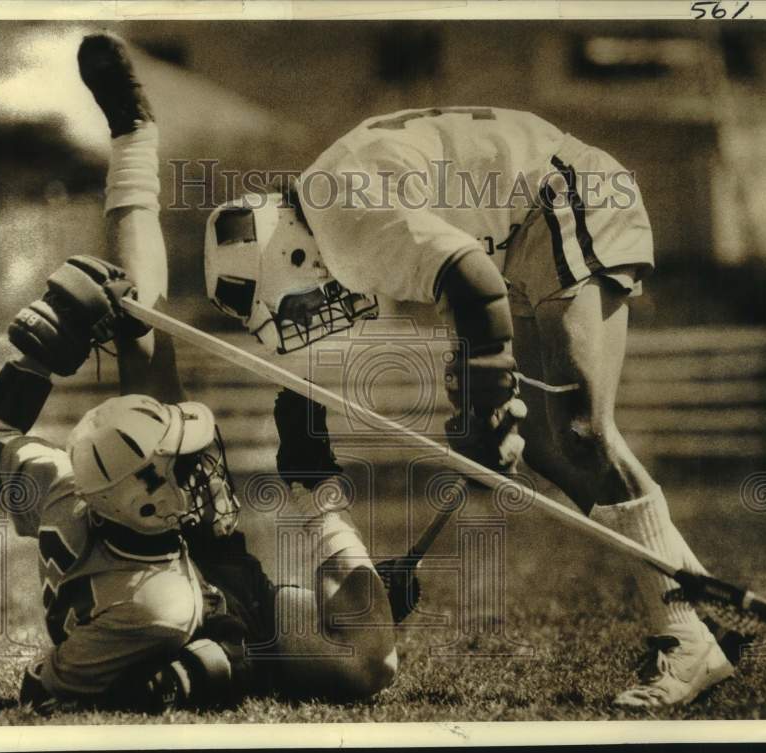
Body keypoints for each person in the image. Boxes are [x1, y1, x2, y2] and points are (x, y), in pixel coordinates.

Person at [206, 105, 734, 708]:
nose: (311, 315)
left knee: (581, 430)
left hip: (556, 199)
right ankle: (702, 614)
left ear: (286, 257)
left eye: (295, 306)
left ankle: (685, 634)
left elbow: (472, 279)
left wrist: (486, 397)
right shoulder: (333, 201)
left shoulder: (339, 223)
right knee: (543, 441)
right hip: (529, 222)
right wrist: (479, 404)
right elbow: (462, 284)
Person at [0, 34, 398, 713]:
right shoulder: (154, 606)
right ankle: (317, 501)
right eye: (177, 461)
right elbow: (41, 690)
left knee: (138, 317)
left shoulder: (71, 486)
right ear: (146, 492)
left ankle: (132, 137)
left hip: (183, 565)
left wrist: (36, 360)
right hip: (162, 609)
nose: (196, 455)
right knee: (369, 661)